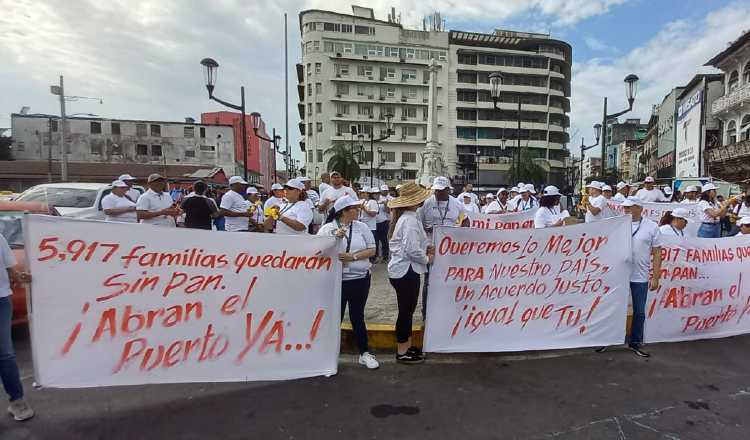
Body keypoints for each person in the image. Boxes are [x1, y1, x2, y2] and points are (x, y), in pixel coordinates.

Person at [317, 196, 379, 369]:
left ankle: (364, 353)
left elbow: (372, 250)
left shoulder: (362, 227)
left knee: (357, 316)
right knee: (335, 317)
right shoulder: (327, 228)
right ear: (344, 211)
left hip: (360, 279)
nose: (358, 210)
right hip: (337, 281)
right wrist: (334, 239)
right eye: (354, 208)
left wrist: (353, 256)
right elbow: (317, 252)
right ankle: (328, 356)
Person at [597, 196, 662, 358]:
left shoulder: (652, 227)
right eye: (624, 207)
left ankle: (635, 342)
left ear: (639, 208)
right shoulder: (618, 224)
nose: (625, 210)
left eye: (629, 207)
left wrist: (656, 276)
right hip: (619, 275)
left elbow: (657, 252)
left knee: (639, 311)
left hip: (640, 275)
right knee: (614, 308)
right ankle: (608, 339)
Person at [387, 182, 434, 364]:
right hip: (407, 271)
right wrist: (427, 259)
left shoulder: (407, 218)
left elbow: (411, 246)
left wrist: (424, 248)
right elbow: (411, 249)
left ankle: (406, 345)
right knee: (406, 311)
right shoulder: (410, 221)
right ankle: (402, 350)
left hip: (403, 270)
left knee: (406, 310)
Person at [1, 234, 34, 421]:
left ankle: (17, 401)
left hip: (1, 300)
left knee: (5, 354)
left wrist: (23, 277)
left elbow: (12, 273)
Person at [374, 186, 391, 262]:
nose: (376, 194)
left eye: (377, 193)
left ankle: (385, 256)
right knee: (375, 241)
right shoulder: (371, 201)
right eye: (374, 193)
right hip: (373, 223)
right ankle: (375, 256)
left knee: (384, 240)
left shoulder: (383, 200)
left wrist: (385, 204)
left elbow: (388, 211)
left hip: (383, 222)